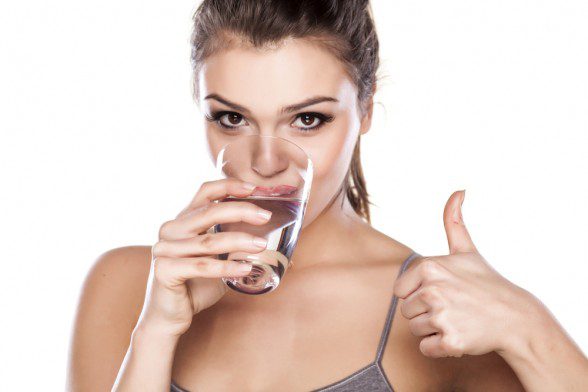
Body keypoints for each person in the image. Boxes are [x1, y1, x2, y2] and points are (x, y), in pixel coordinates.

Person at [66, 1, 588, 391]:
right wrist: (157, 330)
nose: (267, 160)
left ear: (364, 109)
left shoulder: (434, 312)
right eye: (232, 118)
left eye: (308, 119)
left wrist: (529, 328)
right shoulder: (128, 285)